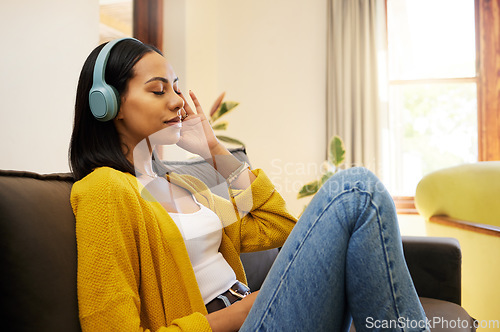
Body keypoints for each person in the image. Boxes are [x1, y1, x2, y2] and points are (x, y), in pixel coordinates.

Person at [69, 38, 429, 332]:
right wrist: (233, 317)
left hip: (252, 313)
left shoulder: (182, 183)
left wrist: (213, 149)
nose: (178, 101)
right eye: (158, 90)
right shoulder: (105, 190)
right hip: (236, 323)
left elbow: (278, 226)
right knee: (355, 191)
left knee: (358, 192)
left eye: (175, 88)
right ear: (108, 104)